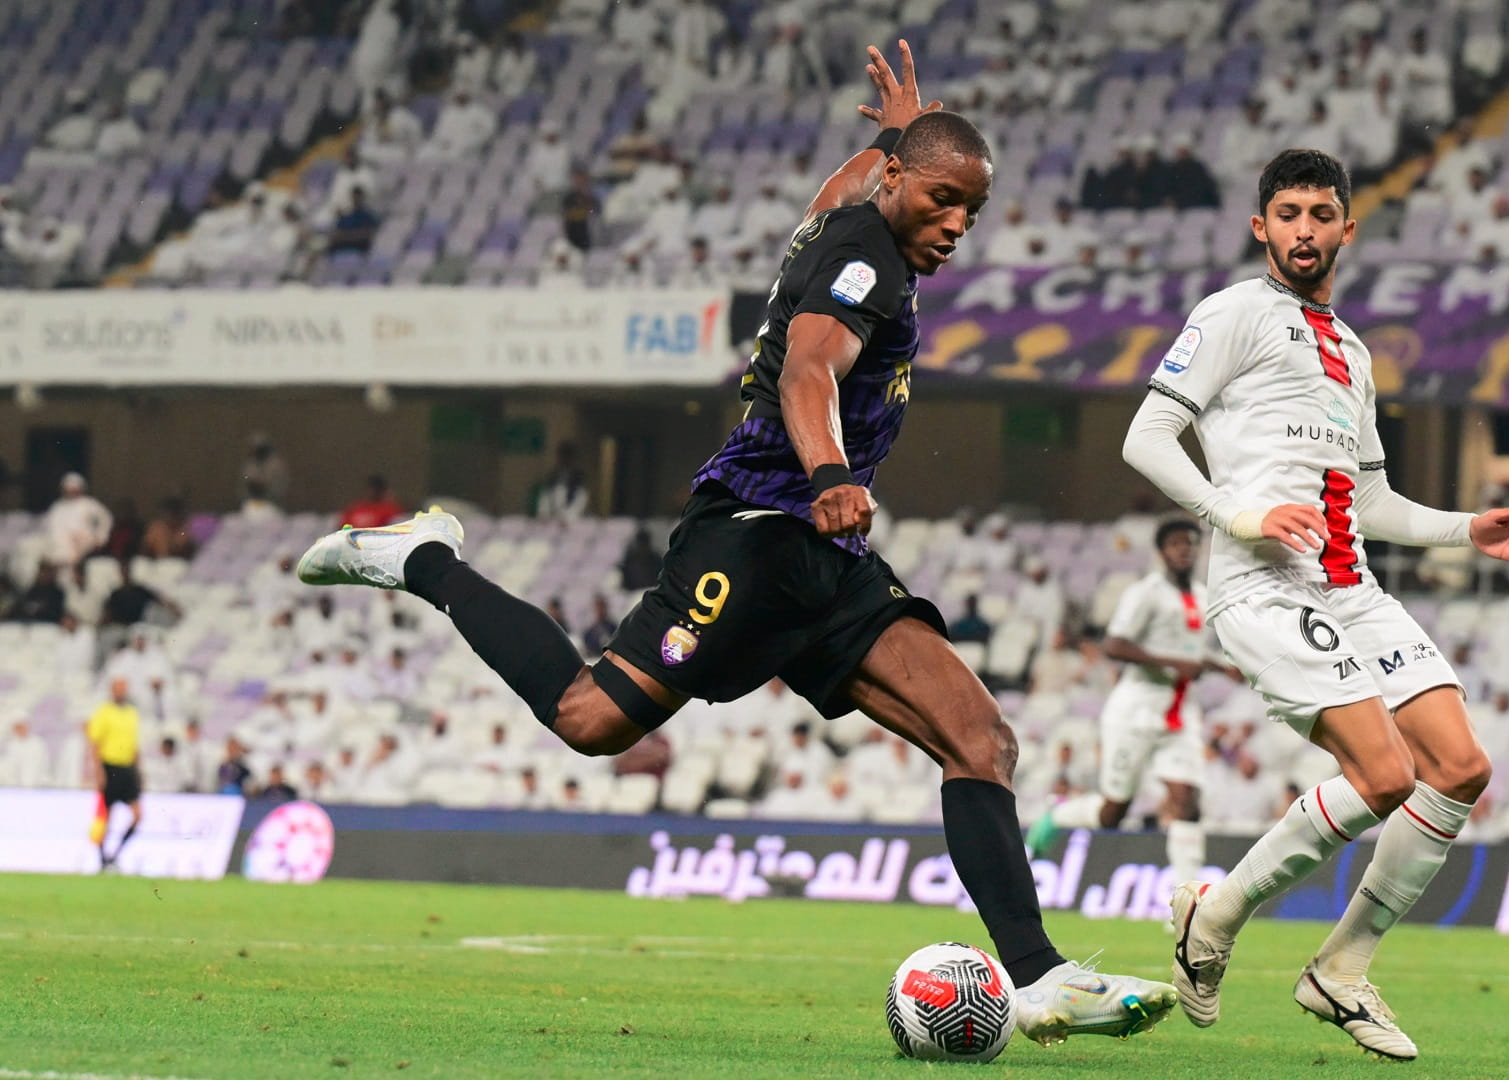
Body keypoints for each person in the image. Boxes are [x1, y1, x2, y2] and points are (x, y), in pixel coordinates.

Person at [290, 41, 1176, 1046]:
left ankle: (1043, 978)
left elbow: (842, 189)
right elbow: (809, 372)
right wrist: (833, 475)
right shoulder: (861, 262)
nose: (956, 226)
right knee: (591, 719)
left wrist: (896, 134)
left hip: (825, 563)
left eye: (968, 209)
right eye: (940, 200)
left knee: (980, 741)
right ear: (897, 185)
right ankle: (426, 559)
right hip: (753, 543)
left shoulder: (849, 216)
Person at [1122, 148, 1509, 1060]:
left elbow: (1371, 503)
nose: (1305, 230)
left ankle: (1341, 969)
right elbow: (1147, 437)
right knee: (1386, 772)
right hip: (1260, 584)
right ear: (1262, 227)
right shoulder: (1235, 313)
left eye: (1322, 214)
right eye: (1289, 214)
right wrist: (1235, 511)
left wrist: (1466, 527)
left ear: (1347, 228)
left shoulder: (1352, 352)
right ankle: (1216, 916)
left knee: (1460, 765)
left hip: (1351, 585)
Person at [1025, 519, 1237, 890]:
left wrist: (1221, 667)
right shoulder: (1145, 593)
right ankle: (1059, 814)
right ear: (1161, 552)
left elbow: (1192, 654)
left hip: (1179, 713)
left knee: (1187, 801)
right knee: (1113, 813)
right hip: (1135, 710)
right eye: (1175, 543)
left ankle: (1192, 903)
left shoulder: (1202, 597)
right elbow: (1115, 645)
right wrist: (1174, 664)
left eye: (1189, 543)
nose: (1184, 549)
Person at [85, 677, 143, 871]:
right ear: (112, 690)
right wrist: (99, 771)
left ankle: (115, 854)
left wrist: (138, 772)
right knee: (106, 818)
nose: (121, 691)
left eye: (123, 687)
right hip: (110, 767)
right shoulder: (104, 712)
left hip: (127, 769)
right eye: (118, 688)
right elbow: (95, 744)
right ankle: (102, 860)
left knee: (137, 815)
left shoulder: (132, 714)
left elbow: (134, 746)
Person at [44, 472, 112, 572]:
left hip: (81, 546)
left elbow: (106, 519)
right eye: (68, 488)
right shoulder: (57, 506)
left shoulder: (89, 504)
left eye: (74, 488)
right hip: (56, 547)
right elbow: (48, 526)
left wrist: (100, 537)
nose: (71, 491)